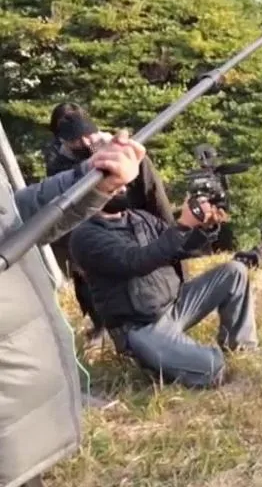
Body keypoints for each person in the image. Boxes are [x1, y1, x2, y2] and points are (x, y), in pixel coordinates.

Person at [0, 130, 146, 487]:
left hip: (18, 412)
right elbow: (136, 261)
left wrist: (90, 178)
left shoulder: (142, 221)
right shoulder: (91, 240)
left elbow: (12, 220)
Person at [69, 192, 259, 389]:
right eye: (114, 184)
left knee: (235, 271)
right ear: (93, 190)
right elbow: (135, 261)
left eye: (124, 184)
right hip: (140, 328)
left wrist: (203, 227)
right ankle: (186, 358)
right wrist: (183, 225)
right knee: (211, 367)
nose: (123, 188)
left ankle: (242, 348)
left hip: (177, 304)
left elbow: (179, 248)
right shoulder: (85, 236)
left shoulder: (141, 218)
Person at [44, 103, 177, 341]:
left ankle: (166, 312)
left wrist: (174, 235)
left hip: (132, 219)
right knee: (92, 280)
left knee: (146, 267)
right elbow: (63, 209)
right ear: (62, 138)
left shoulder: (118, 149)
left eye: (87, 135)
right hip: (89, 230)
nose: (85, 143)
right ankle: (105, 327)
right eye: (76, 139)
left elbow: (152, 192)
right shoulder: (58, 164)